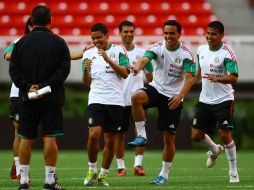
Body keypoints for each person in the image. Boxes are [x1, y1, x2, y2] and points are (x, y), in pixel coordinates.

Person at [9, 5, 70, 190]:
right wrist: (44, 87)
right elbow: (63, 71)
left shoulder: (20, 44)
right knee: (50, 137)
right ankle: (50, 181)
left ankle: (23, 180)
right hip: (51, 97)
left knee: (26, 138)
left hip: (27, 97)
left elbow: (14, 71)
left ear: (32, 21)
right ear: (50, 20)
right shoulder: (59, 43)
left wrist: (29, 86)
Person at [128, 20, 196, 185]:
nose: (168, 36)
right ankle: (142, 135)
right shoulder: (158, 46)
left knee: (168, 138)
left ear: (179, 34)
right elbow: (145, 58)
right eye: (166, 33)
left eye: (172, 33)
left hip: (173, 97)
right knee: (136, 97)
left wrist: (180, 96)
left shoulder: (186, 54)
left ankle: (163, 175)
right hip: (156, 90)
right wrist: (137, 67)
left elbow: (189, 78)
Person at [191, 21, 239, 183]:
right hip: (205, 100)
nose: (210, 37)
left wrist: (218, 79)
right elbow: (197, 73)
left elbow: (234, 77)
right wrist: (183, 84)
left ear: (221, 36)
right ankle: (214, 149)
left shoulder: (227, 53)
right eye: (208, 33)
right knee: (196, 136)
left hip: (224, 99)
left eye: (214, 34)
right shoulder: (201, 49)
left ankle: (233, 172)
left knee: (224, 134)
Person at [82, 23, 129, 186]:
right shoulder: (88, 53)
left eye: (99, 37)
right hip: (96, 99)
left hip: (116, 101)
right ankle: (91, 169)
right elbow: (86, 83)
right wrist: (85, 70)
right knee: (93, 134)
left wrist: (108, 59)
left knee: (110, 141)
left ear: (107, 36)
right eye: (93, 38)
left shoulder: (119, 51)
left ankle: (103, 174)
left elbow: (125, 73)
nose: (96, 41)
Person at [115, 20, 153, 177]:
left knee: (140, 132)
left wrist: (141, 69)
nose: (129, 34)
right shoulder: (115, 52)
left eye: (131, 31)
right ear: (120, 33)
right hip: (118, 99)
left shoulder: (142, 53)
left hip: (137, 100)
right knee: (119, 134)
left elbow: (150, 78)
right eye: (125, 31)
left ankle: (138, 165)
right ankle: (121, 167)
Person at [3, 16, 33, 181]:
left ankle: (24, 168)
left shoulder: (45, 42)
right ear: (28, 26)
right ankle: (18, 167)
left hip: (37, 92)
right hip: (19, 93)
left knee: (32, 134)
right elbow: (7, 55)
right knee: (19, 133)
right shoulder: (19, 41)